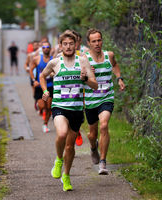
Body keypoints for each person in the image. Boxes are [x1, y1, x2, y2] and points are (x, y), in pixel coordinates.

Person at [40, 30, 98, 191]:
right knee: (61, 134)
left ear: (76, 45)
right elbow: (42, 76)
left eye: (71, 44)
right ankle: (58, 160)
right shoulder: (55, 63)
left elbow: (95, 85)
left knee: (70, 147)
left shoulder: (83, 61)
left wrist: (85, 79)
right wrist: (45, 91)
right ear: (60, 46)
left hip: (77, 109)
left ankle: (66, 175)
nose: (68, 46)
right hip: (59, 106)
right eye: (65, 44)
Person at [84, 28, 125, 175]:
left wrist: (119, 78)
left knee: (104, 125)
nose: (97, 43)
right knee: (92, 134)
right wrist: (88, 76)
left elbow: (114, 65)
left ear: (102, 40)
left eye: (99, 40)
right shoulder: (84, 59)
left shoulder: (109, 55)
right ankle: (93, 147)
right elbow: (80, 78)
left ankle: (102, 161)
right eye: (93, 41)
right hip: (90, 101)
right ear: (88, 43)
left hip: (106, 97)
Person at [29, 41, 53, 133]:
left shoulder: (53, 59)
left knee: (48, 107)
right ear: (41, 49)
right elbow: (31, 69)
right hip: (39, 86)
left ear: (50, 48)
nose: (45, 49)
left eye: (47, 47)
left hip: (50, 86)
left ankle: (45, 124)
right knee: (42, 106)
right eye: (43, 47)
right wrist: (34, 80)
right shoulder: (37, 59)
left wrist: (52, 74)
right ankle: (40, 108)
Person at [24, 41, 39, 110]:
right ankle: (36, 100)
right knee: (34, 89)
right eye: (34, 45)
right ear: (32, 46)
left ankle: (40, 101)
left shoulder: (41, 54)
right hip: (32, 73)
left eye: (37, 45)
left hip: (39, 74)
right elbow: (26, 64)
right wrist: (27, 68)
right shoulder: (30, 55)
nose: (36, 46)